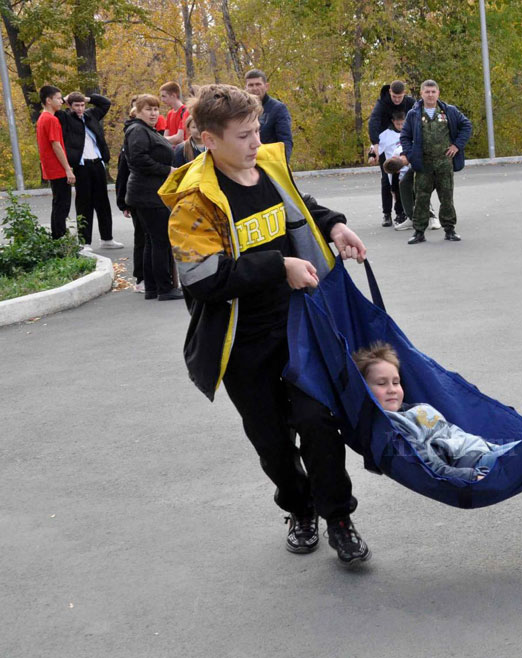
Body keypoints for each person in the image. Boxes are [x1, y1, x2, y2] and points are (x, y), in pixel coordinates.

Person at [158, 83, 372, 566]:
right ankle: (300, 509)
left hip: (300, 330)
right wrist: (279, 267)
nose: (256, 142)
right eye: (244, 135)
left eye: (257, 130)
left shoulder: (270, 165)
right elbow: (203, 278)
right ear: (208, 140)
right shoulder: (194, 203)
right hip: (242, 346)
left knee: (319, 424)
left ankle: (338, 517)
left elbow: (298, 205)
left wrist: (335, 225)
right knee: (273, 443)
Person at [353, 342, 519, 481]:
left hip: (488, 448)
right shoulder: (394, 427)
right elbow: (429, 465)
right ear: (364, 390)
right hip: (476, 463)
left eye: (396, 382)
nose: (392, 389)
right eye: (382, 384)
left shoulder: (415, 408)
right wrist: (471, 476)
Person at [123, 94, 183, 301]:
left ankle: (152, 287)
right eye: (148, 109)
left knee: (152, 241)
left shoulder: (145, 130)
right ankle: (164, 288)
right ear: (137, 111)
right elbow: (139, 159)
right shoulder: (138, 130)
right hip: (148, 194)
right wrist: (167, 170)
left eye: (156, 109)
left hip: (147, 193)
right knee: (160, 241)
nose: (154, 113)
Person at [399, 80, 472, 244]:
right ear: (422, 94)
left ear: (438, 93)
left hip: (444, 163)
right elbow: (405, 136)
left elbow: (466, 126)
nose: (430, 95)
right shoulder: (414, 114)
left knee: (447, 198)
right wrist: (411, 155)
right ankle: (419, 232)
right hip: (423, 164)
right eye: (427, 92)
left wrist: (457, 146)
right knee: (421, 199)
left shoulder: (449, 111)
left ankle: (450, 230)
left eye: (433, 92)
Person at [58, 91, 122, 249]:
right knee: (84, 203)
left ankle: (107, 239)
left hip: (97, 164)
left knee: (103, 202)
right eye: (76, 105)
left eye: (82, 105)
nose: (80, 108)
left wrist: (86, 98)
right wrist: (66, 99)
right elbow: (55, 112)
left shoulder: (91, 115)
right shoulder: (66, 118)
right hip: (81, 166)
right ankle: (85, 241)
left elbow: (105, 103)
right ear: (70, 106)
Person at [368, 81, 415, 227]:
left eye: (399, 97)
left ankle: (411, 211)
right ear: (390, 92)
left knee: (409, 180)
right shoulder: (382, 103)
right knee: (386, 180)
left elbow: (421, 115)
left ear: (404, 93)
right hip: (384, 140)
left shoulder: (409, 102)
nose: (396, 99)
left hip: (405, 140)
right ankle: (386, 214)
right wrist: (375, 147)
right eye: (394, 96)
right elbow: (373, 122)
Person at [35, 85, 74, 239]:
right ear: (48, 100)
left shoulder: (42, 117)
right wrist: (67, 169)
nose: (61, 101)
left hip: (51, 167)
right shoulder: (51, 119)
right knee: (62, 204)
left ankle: (57, 236)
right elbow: (56, 145)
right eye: (58, 98)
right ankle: (59, 237)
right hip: (57, 168)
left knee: (58, 203)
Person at [115, 103, 146, 293]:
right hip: (137, 197)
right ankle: (140, 278)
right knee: (141, 238)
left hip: (147, 196)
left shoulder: (149, 136)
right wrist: (122, 202)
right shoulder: (132, 140)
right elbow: (122, 174)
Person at [244, 69, 293, 161]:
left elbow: (285, 141)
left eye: (258, 84)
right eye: (250, 85)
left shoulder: (278, 108)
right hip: (246, 162)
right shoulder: (241, 110)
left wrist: (282, 164)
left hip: (269, 161)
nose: (254, 88)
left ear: (266, 86)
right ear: (245, 88)